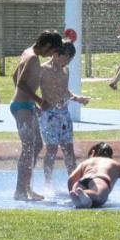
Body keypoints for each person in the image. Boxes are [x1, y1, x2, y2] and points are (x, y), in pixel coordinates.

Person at [11, 30, 64, 201]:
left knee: (36, 145)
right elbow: (20, 83)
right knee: (28, 146)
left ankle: (27, 187)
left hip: (26, 105)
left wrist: (31, 102)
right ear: (47, 46)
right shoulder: (33, 57)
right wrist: (39, 100)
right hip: (22, 106)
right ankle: (20, 190)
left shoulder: (28, 52)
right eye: (52, 51)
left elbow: (14, 76)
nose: (51, 55)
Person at [40, 41, 91, 185]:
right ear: (56, 54)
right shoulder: (43, 70)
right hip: (49, 115)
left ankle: (75, 182)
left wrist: (77, 98)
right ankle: (48, 183)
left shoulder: (65, 70)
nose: (67, 62)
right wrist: (37, 104)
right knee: (51, 149)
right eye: (66, 58)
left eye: (70, 59)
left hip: (64, 114)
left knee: (69, 150)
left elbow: (64, 91)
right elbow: (30, 89)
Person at [67, 142, 120, 209]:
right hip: (99, 180)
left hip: (81, 181)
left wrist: (71, 191)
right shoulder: (114, 164)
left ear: (93, 152)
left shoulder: (86, 162)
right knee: (98, 196)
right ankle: (85, 195)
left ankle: (79, 196)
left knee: (82, 198)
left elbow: (71, 179)